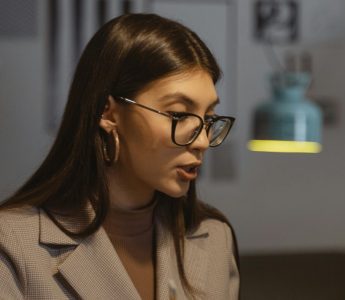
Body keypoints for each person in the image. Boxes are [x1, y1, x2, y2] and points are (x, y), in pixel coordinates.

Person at [0, 13, 239, 299]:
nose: (201, 140)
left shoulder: (214, 238)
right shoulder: (13, 244)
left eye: (208, 117)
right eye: (178, 115)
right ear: (107, 112)